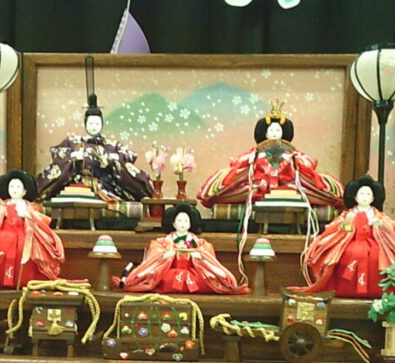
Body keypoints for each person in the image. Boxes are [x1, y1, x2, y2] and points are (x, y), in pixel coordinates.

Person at [197, 103, 344, 209]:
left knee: (310, 185)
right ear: (265, 133)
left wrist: (291, 161)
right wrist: (255, 159)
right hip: (257, 185)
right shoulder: (255, 153)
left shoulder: (292, 153)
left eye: (278, 130)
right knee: (235, 182)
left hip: (288, 184)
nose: (274, 133)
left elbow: (308, 164)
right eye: (271, 130)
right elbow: (238, 163)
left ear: (283, 133)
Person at [300, 175, 395, 298]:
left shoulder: (378, 214)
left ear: (374, 197)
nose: (365, 197)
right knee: (346, 255)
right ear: (355, 196)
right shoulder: (348, 214)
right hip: (351, 241)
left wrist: (379, 224)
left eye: (368, 194)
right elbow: (336, 227)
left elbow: (390, 224)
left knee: (376, 258)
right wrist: (348, 222)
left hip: (373, 242)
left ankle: (377, 291)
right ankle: (344, 290)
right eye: (362, 194)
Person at [0, 169, 66, 290]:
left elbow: (39, 220)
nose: (14, 189)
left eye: (18, 187)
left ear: (24, 191)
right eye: (12, 186)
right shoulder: (1, 206)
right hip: (3, 229)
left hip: (25, 231)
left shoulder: (29, 207)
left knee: (24, 248)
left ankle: (26, 280)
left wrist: (26, 215)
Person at [34, 94, 153, 202]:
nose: (94, 127)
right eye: (90, 123)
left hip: (107, 186)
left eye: (97, 123)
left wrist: (114, 159)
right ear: (85, 124)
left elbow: (128, 155)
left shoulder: (111, 145)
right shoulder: (73, 142)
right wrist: (72, 157)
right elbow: (59, 155)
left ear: (102, 124)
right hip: (78, 185)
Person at [117, 202, 248, 294]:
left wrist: (200, 256)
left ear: (191, 224)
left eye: (186, 221)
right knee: (164, 280)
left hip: (193, 271)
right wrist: (164, 255)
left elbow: (208, 254)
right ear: (173, 223)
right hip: (171, 270)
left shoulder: (200, 242)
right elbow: (155, 252)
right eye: (179, 221)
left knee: (205, 281)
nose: (183, 224)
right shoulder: (163, 241)